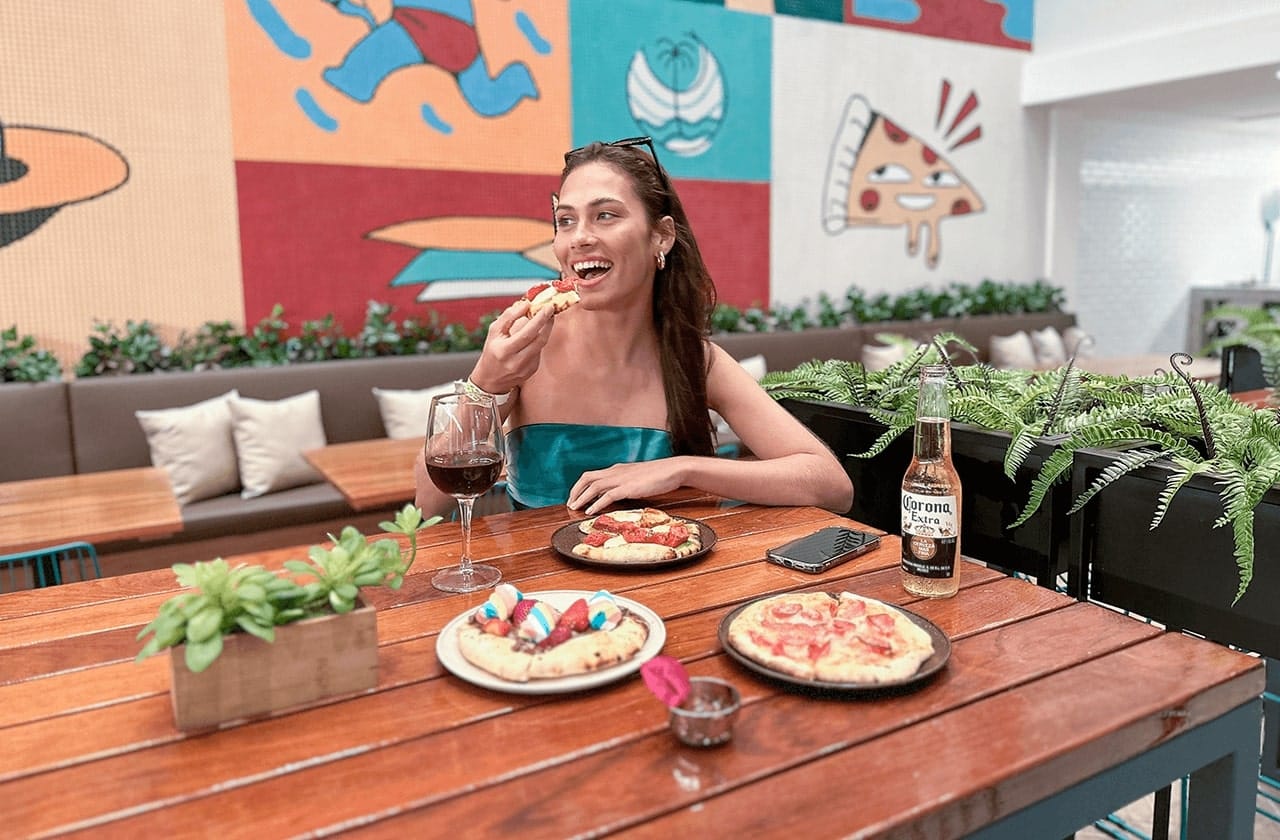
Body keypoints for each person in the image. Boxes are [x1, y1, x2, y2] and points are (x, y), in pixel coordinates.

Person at [415, 137, 853, 518]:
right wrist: (485, 384)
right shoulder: (527, 349)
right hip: (542, 599)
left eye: (605, 215)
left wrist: (683, 469)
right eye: (565, 220)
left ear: (661, 237)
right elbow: (428, 504)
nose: (579, 237)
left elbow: (832, 486)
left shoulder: (693, 360)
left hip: (669, 590)